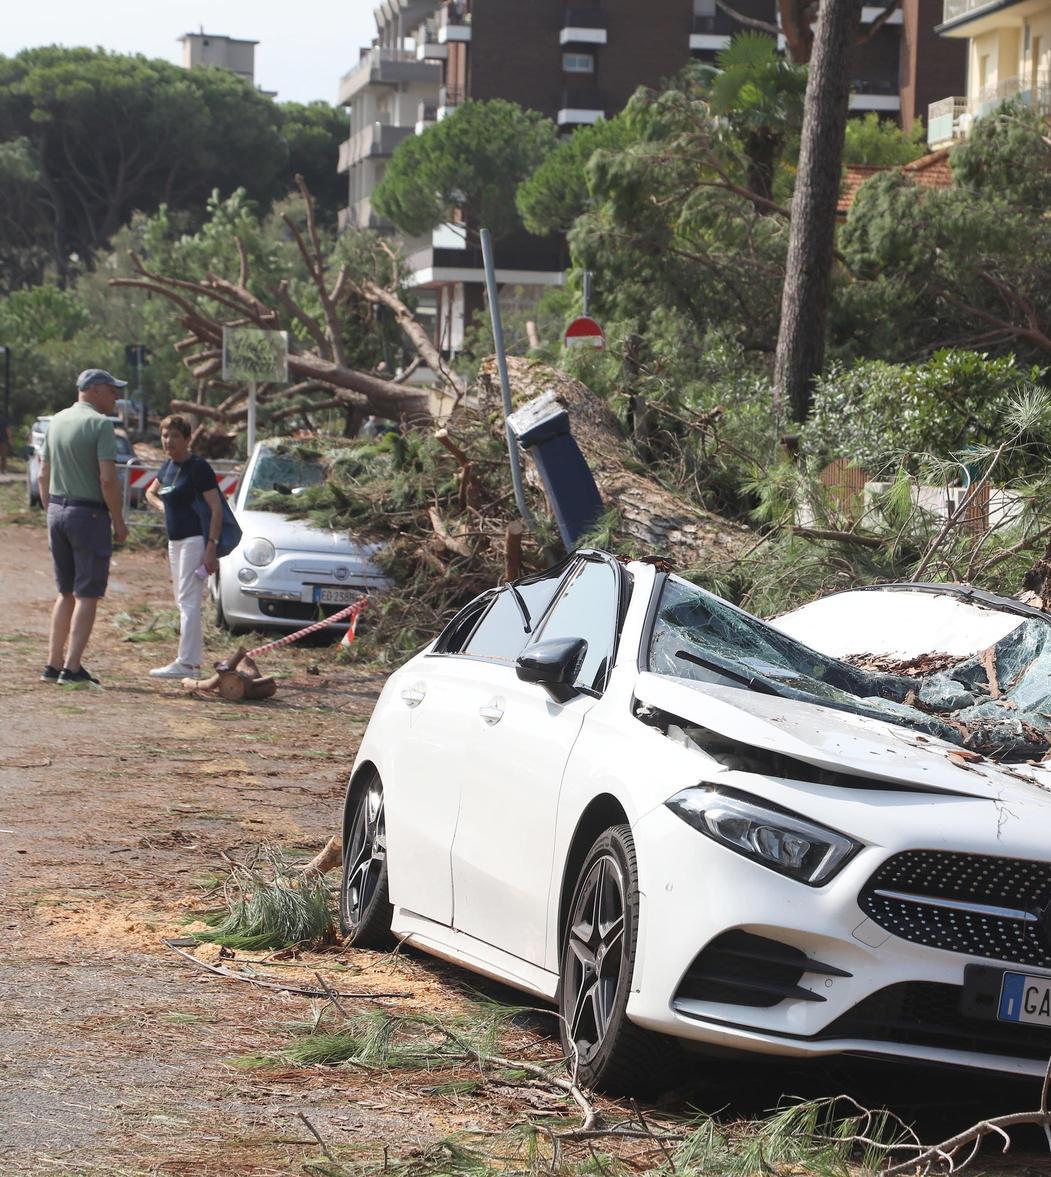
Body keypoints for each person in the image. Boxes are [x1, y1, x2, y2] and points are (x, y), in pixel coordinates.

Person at [39, 369, 130, 686]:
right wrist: (118, 522)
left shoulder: (57, 421)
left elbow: (42, 474)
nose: (116, 396)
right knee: (87, 594)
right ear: (92, 390)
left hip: (57, 510)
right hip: (88, 514)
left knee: (65, 593)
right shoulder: (101, 425)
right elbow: (107, 480)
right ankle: (72, 667)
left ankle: (52, 664)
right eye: (111, 390)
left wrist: (49, 508)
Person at [144, 415, 223, 679]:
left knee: (189, 601)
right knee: (182, 600)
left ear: (187, 440)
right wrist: (163, 507)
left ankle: (187, 664)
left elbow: (216, 508)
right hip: (174, 541)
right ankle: (191, 662)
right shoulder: (167, 466)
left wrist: (211, 546)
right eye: (165, 436)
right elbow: (150, 492)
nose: (168, 441)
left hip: (194, 540)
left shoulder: (198, 467)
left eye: (175, 436)